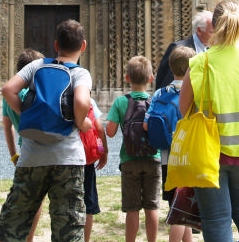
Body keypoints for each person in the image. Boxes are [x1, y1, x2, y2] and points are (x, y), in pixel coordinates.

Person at [180, 0, 239, 242]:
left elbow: (183, 108)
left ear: (215, 25)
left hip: (210, 152)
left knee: (216, 218)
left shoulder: (201, 62)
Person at [0, 19, 91, 242]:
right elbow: (82, 101)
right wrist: (81, 121)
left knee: (11, 224)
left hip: (32, 157)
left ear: (56, 45)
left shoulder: (37, 65)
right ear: (83, 46)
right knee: (68, 228)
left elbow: (7, 89)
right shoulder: (80, 73)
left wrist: (26, 113)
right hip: (67, 157)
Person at [106, 56, 161, 242]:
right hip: (153, 158)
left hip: (129, 160)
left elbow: (110, 132)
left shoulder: (120, 102)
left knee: (132, 209)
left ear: (127, 78)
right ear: (151, 79)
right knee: (152, 207)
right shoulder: (155, 102)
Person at [145, 45, 195, 242]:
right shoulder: (195, 91)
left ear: (171, 67)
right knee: (181, 211)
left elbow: (147, 125)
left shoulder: (160, 93)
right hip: (190, 157)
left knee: (179, 205)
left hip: (167, 158)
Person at [1, 49, 45, 242]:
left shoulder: (11, 95)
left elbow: (7, 126)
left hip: (24, 150)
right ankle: (29, 237)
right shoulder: (37, 94)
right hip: (45, 149)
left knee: (24, 197)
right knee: (39, 199)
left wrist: (13, 154)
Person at [155, 10, 213, 90]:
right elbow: (164, 83)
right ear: (199, 30)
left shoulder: (213, 51)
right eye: (212, 32)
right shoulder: (178, 48)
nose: (216, 36)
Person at [83, 96, 108, 242]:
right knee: (88, 201)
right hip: (85, 158)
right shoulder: (88, 100)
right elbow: (99, 128)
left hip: (64, 158)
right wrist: (103, 151)